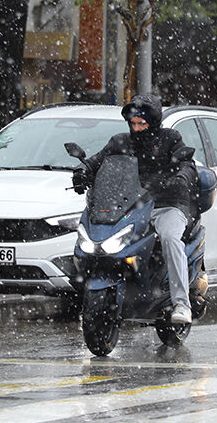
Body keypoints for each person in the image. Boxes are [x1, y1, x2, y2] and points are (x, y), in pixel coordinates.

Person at [72, 94, 199, 324]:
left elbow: (188, 165)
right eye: (133, 123)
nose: (137, 128)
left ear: (153, 122)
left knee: (169, 237)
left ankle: (181, 303)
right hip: (132, 206)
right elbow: (97, 161)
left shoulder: (171, 138)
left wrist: (182, 176)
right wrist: (82, 172)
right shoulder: (120, 141)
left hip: (167, 204)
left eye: (142, 123)